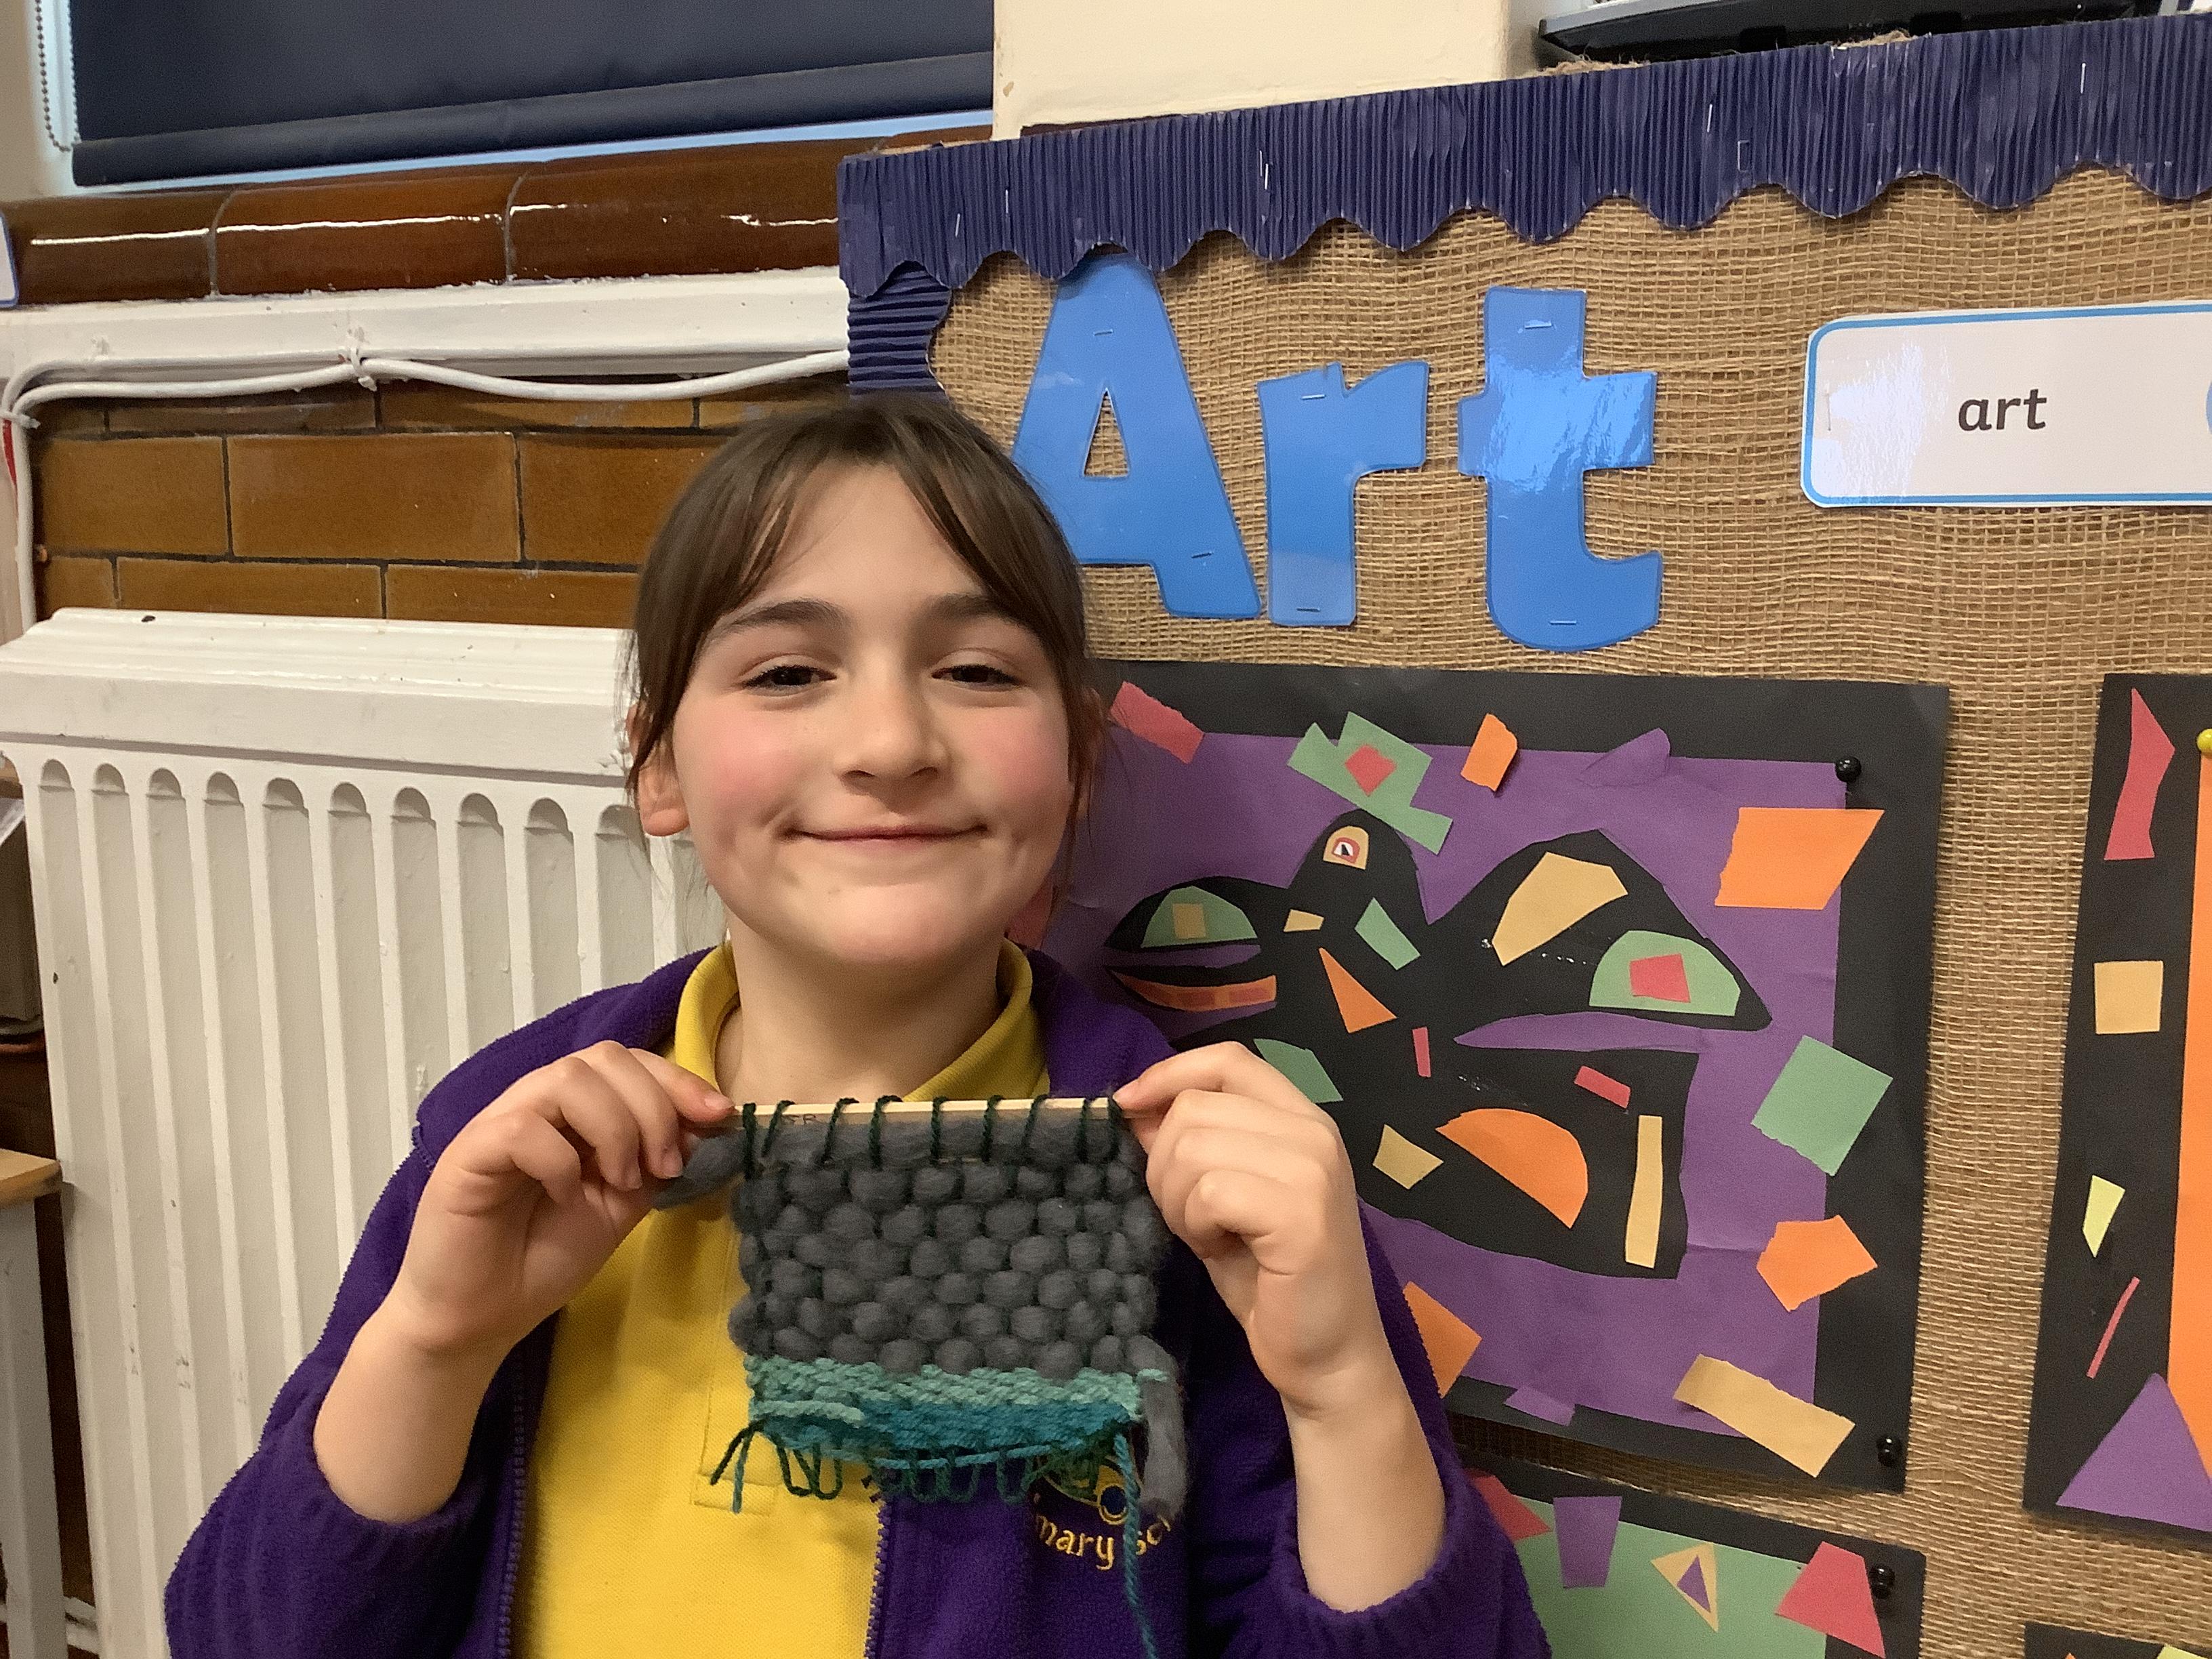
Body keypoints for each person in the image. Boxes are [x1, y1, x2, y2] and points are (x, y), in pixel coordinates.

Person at [165, 394, 1546, 1659]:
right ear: (658, 768)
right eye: (787, 673)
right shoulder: (512, 1140)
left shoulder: (1200, 1189)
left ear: (1077, 763)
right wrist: (432, 1343)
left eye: (978, 672)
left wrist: (1345, 1390)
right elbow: (243, 1633)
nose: (890, 744)